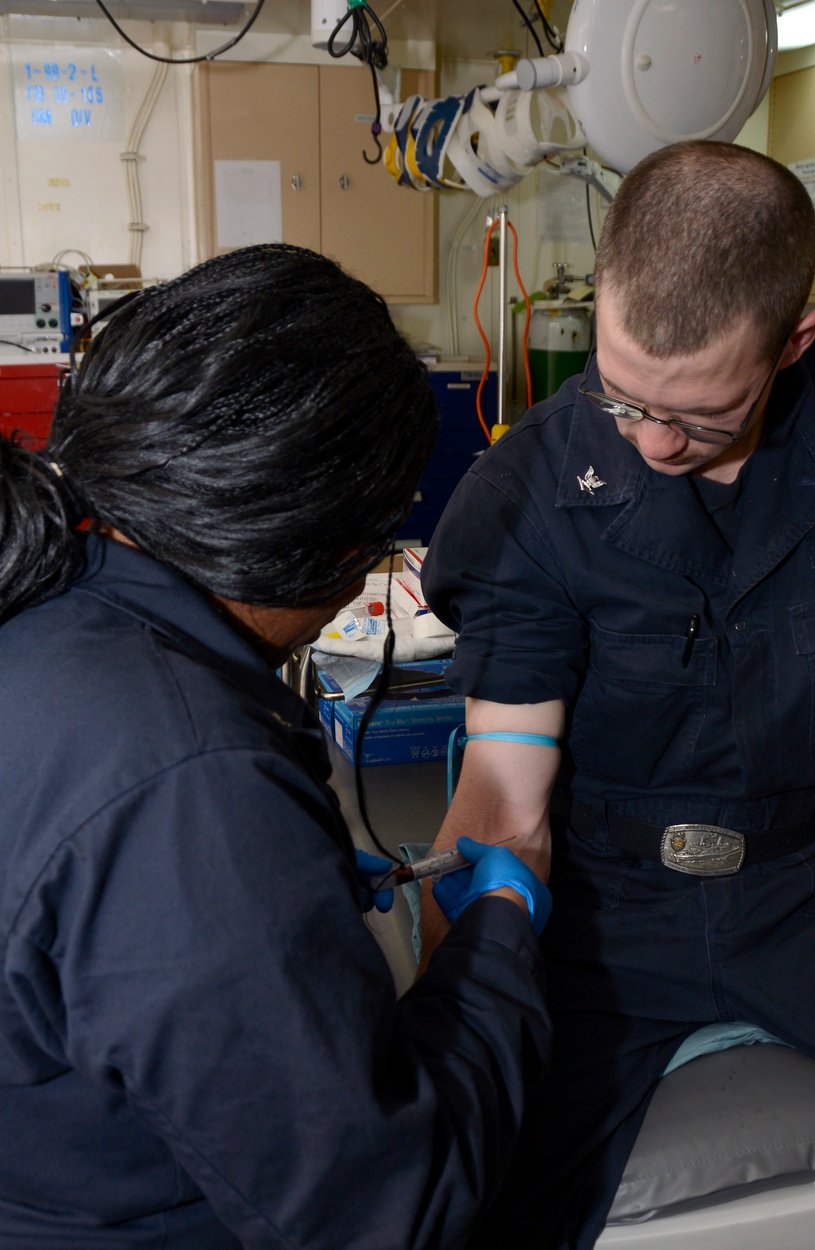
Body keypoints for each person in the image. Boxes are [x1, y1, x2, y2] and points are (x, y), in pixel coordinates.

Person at [420, 141, 815, 1249]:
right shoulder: (529, 487)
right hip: (600, 904)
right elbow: (506, 793)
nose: (647, 440)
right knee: (456, 1198)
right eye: (620, 391)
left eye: (696, 415)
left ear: (793, 342)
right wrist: (461, 987)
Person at [0, 244, 552, 1248]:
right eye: (383, 544)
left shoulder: (48, 600)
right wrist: (501, 934)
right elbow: (396, 1209)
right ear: (327, 550)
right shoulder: (189, 785)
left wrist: (284, 904)